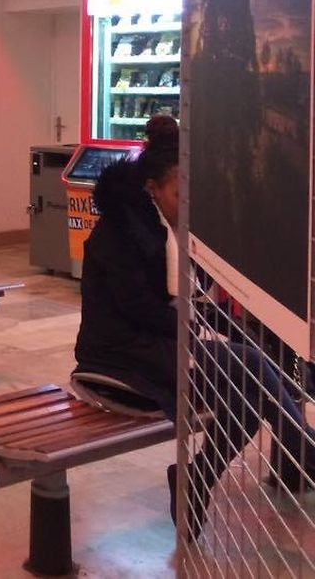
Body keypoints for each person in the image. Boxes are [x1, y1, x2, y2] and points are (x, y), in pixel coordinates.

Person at [74, 115, 315, 537]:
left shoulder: (170, 228)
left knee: (249, 381)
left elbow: (194, 300)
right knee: (249, 368)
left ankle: (197, 478)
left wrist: (221, 328)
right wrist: (197, 331)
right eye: (178, 192)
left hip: (156, 343)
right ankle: (302, 448)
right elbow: (137, 308)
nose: (187, 201)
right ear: (152, 189)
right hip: (117, 353)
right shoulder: (121, 232)